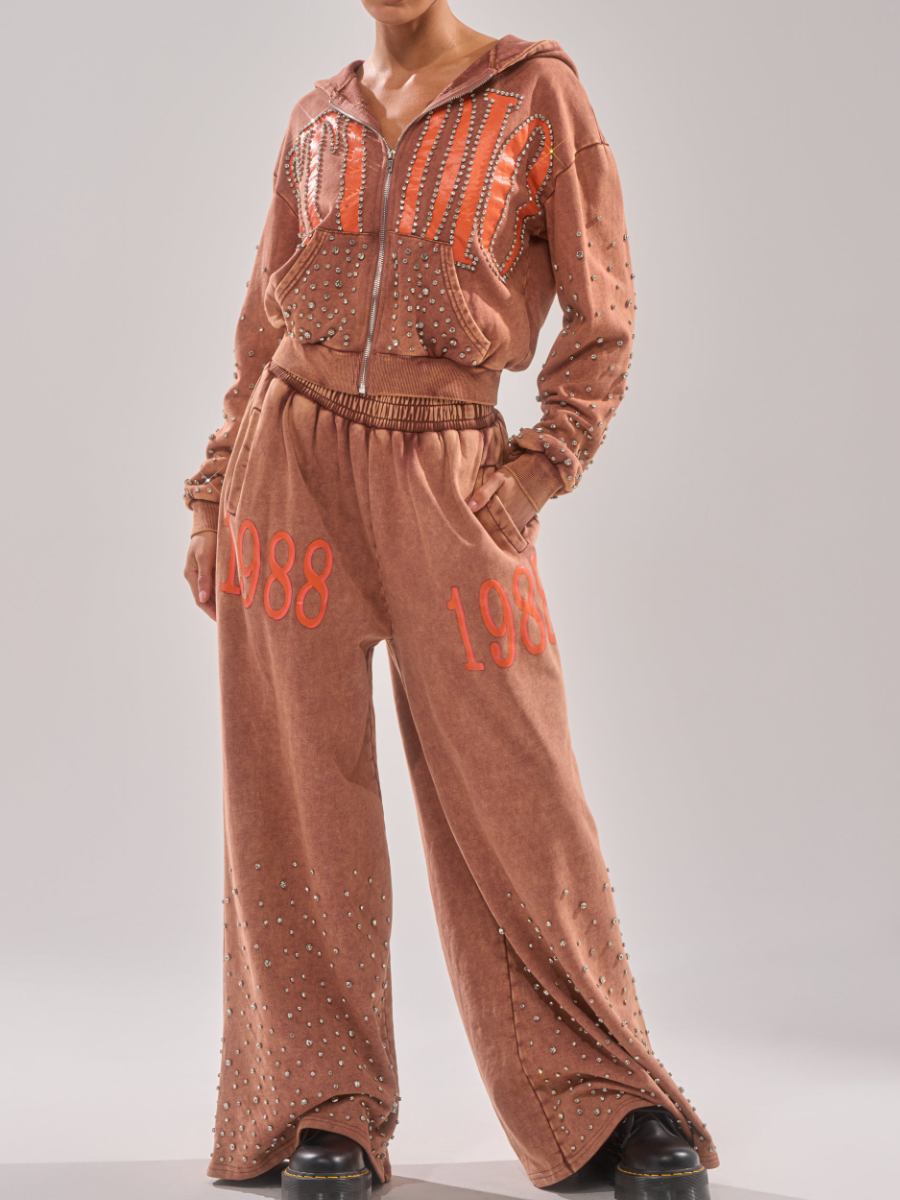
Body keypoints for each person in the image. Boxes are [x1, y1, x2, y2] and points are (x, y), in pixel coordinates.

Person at [182, 3, 718, 1198]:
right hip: (290, 472)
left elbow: (603, 306)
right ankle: (323, 1104)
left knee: (523, 790)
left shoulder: (538, 95)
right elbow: (264, 321)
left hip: (451, 471)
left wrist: (542, 465)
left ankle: (603, 1094)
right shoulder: (316, 114)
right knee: (295, 794)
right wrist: (217, 488)